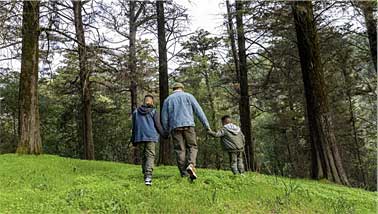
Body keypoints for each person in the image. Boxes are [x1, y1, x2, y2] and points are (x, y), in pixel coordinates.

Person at [161, 82, 210, 180]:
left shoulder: (168, 100)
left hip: (175, 127)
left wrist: (166, 131)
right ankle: (191, 165)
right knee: (192, 146)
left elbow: (164, 117)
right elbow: (199, 111)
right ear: (182, 88)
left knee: (180, 150)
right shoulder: (189, 96)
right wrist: (207, 126)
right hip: (189, 125)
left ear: (173, 89)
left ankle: (184, 174)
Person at [131, 94, 167, 186]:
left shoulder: (135, 112)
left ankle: (145, 172)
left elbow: (134, 127)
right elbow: (158, 125)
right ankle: (148, 176)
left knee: (144, 155)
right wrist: (165, 134)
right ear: (151, 102)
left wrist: (133, 140)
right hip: (151, 136)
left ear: (144, 101)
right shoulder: (154, 111)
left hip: (139, 136)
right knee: (150, 155)